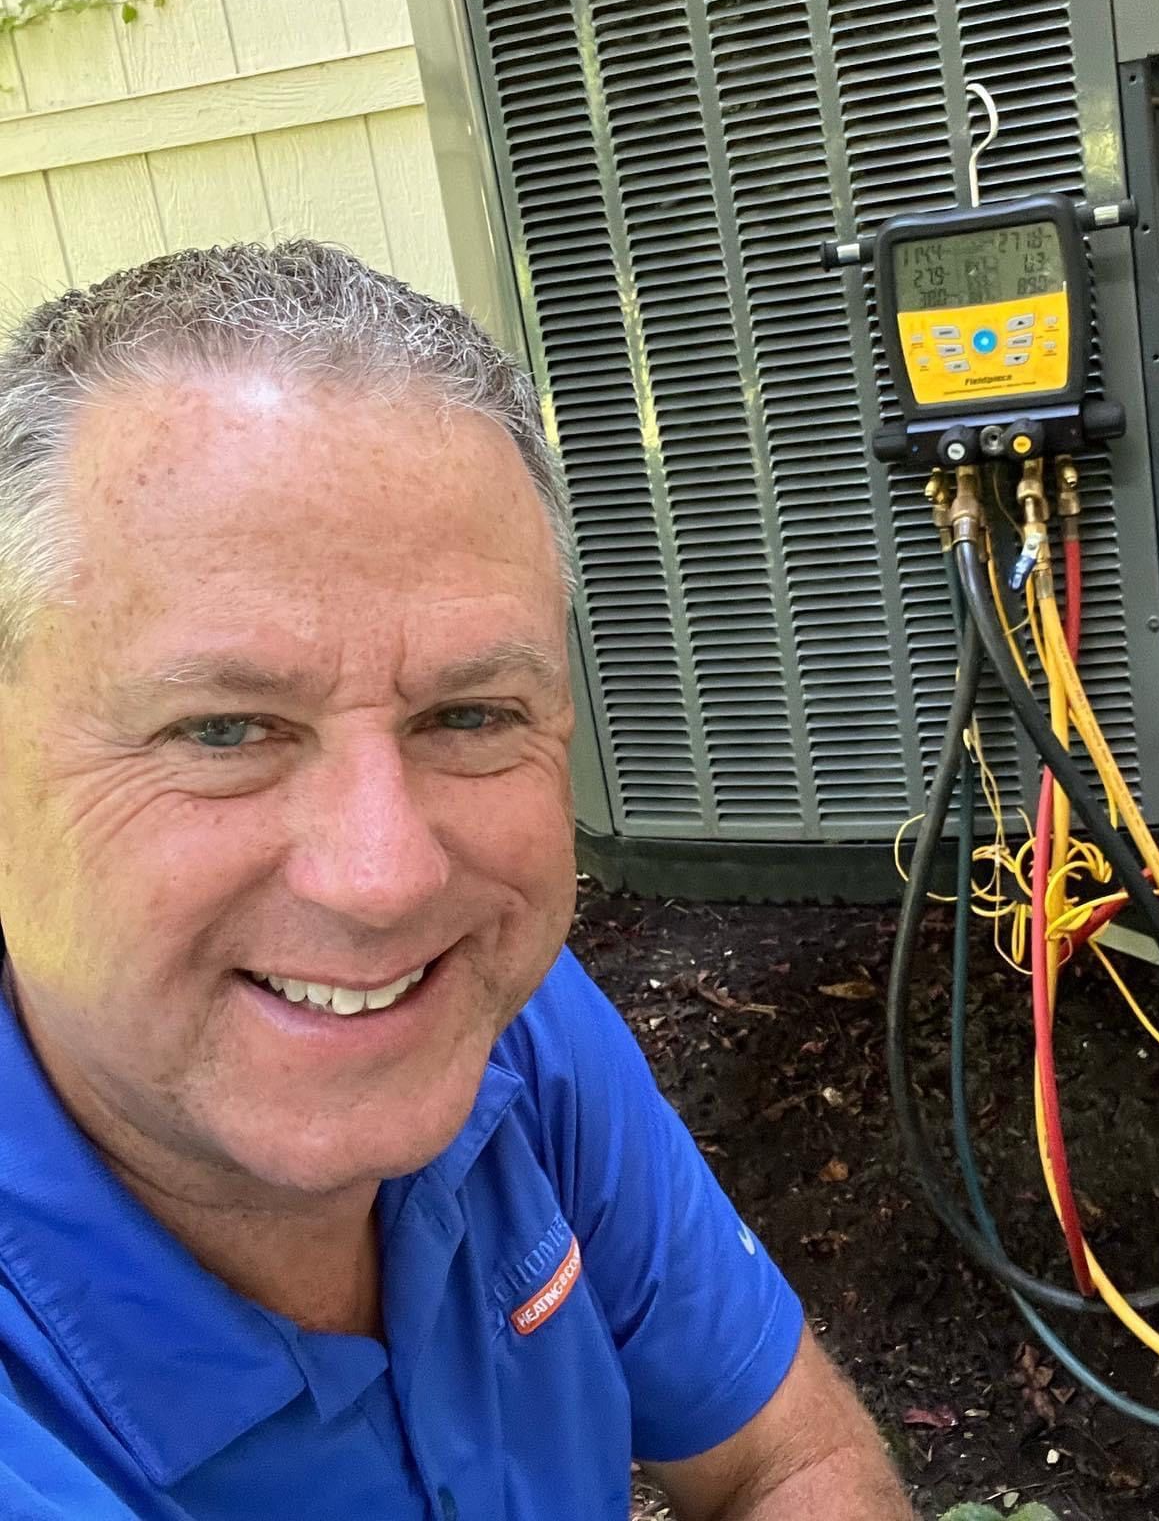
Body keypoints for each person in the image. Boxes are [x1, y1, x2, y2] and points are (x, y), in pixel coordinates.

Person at [0, 242, 913, 1520]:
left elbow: (793, 1463)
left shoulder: (502, 1026)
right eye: (223, 729)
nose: (385, 882)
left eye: (471, 716)